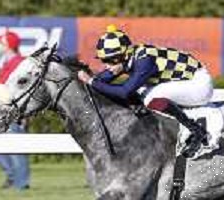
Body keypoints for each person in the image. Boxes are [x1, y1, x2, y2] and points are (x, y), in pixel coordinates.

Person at [77, 25, 213, 157]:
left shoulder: (144, 61)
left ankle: (197, 131)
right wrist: (85, 77)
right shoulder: (129, 57)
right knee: (142, 93)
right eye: (104, 61)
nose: (107, 66)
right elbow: (102, 79)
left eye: (110, 60)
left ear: (125, 54)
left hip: (199, 84)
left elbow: (124, 91)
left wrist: (91, 81)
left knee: (148, 97)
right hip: (186, 81)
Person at [0, 30, 31, 190]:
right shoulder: (9, 62)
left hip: (14, 112)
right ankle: (14, 177)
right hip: (3, 111)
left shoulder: (20, 63)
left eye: (0, 42)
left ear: (7, 45)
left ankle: (21, 184)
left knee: (16, 149)